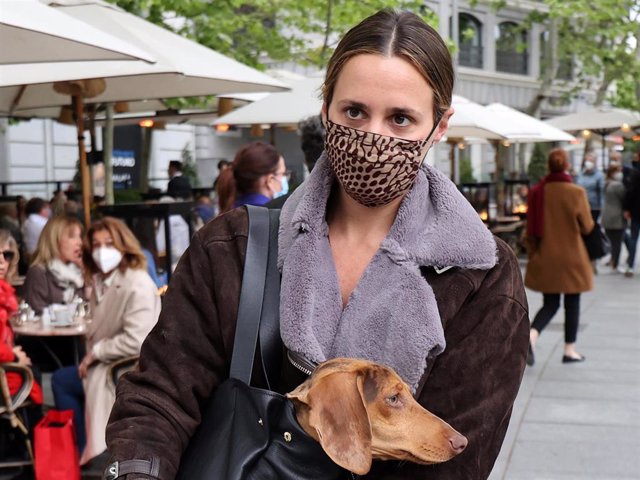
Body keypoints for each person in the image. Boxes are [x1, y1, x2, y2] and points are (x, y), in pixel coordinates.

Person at [106, 10, 529, 480]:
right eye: (354, 111)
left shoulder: (481, 276)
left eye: (402, 119)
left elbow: (456, 457)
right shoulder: (233, 245)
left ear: (439, 126)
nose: (374, 137)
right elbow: (159, 396)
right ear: (326, 106)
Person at [51, 217, 161, 466]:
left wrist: (96, 353)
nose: (102, 251)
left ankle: (82, 453)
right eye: (97, 244)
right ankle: (83, 451)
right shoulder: (102, 280)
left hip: (125, 369)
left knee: (62, 381)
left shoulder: (137, 282)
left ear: (123, 245)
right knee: (65, 379)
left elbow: (137, 339)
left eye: (109, 243)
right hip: (106, 364)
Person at [525, 148, 594, 366]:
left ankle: (531, 336)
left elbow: (530, 230)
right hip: (573, 258)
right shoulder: (576, 192)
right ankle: (569, 350)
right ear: (566, 166)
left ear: (549, 166)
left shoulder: (538, 192)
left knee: (551, 303)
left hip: (547, 257)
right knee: (572, 303)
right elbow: (588, 226)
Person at [0, 229, 43, 446]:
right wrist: (14, 357)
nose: (1, 262)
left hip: (7, 367)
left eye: (6, 255)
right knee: (35, 372)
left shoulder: (5, 292)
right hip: (5, 374)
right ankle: (30, 450)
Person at [22, 215, 85, 315]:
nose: (80, 242)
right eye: (72, 237)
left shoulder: (79, 271)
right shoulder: (39, 273)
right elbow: (37, 313)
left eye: (80, 237)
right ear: (54, 240)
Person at [216, 141, 289, 213]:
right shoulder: (273, 216)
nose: (284, 178)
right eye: (283, 174)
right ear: (270, 180)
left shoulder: (232, 210)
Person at [601, 163, 626, 271]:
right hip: (617, 216)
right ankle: (615, 263)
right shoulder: (618, 185)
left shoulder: (606, 183)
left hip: (606, 215)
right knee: (617, 242)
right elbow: (624, 199)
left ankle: (612, 260)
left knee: (612, 240)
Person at [622, 150, 640, 277]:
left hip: (636, 210)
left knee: (634, 238)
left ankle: (631, 266)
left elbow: (630, 191)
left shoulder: (635, 172)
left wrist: (626, 208)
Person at [576, 154, 604, 222]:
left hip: (594, 208)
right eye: (587, 160)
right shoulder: (580, 174)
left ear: (595, 162)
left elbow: (602, 193)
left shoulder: (599, 175)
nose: (588, 162)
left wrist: (602, 209)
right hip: (581, 207)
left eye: (591, 161)